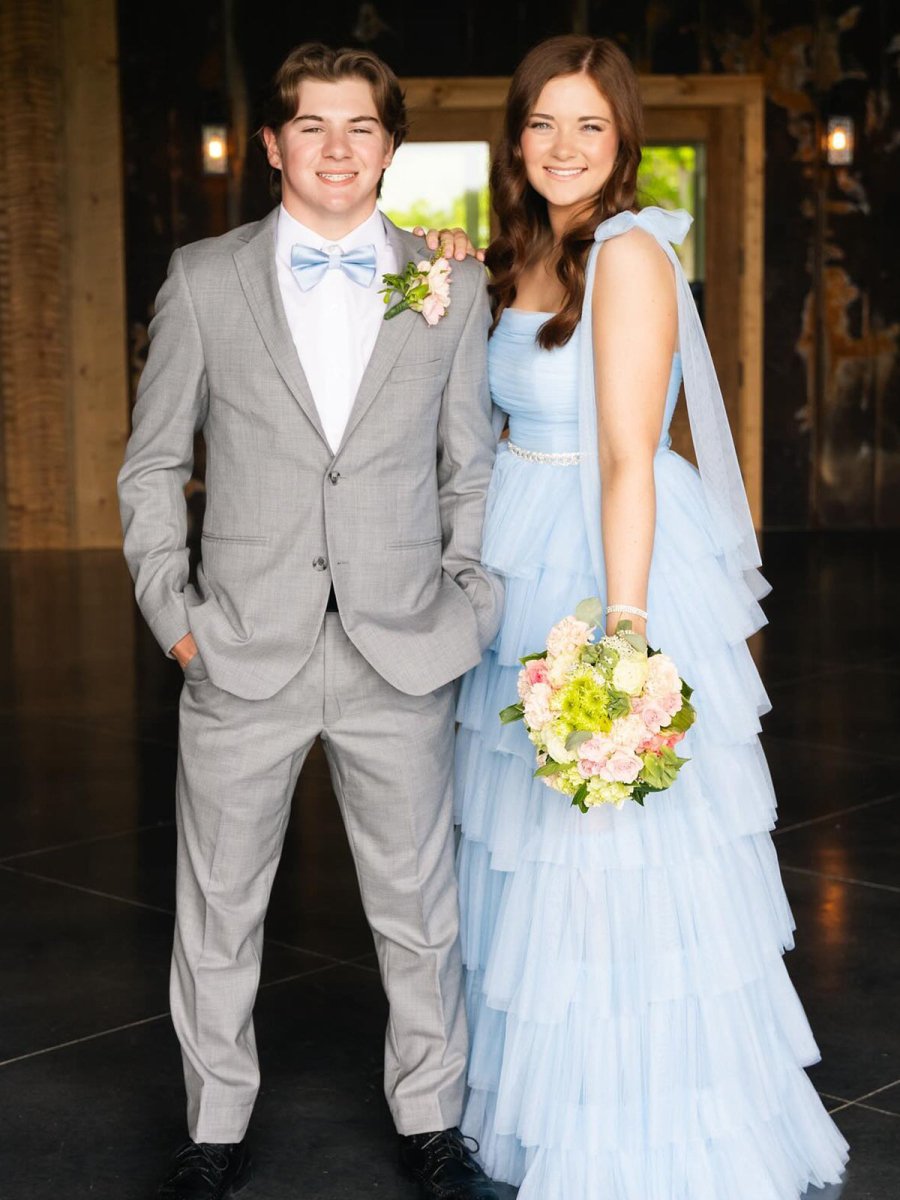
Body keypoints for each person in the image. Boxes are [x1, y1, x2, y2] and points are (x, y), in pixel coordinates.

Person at [429, 34, 850, 1200]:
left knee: (607, 841)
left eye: (591, 128)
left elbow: (626, 456)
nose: (564, 148)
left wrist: (620, 631)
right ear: (516, 139)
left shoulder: (628, 255)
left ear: (624, 144)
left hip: (602, 550)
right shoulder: (520, 252)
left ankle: (634, 1122)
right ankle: (536, 1095)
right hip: (516, 546)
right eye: (544, 124)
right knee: (521, 841)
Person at [118, 42, 504, 1200]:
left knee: (419, 910)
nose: (338, 148)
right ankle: (213, 1130)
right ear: (275, 145)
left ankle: (432, 1119)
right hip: (239, 644)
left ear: (391, 147)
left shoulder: (454, 280)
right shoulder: (202, 278)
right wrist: (174, 618)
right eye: (313, 127)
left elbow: (468, 469)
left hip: (403, 640)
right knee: (219, 907)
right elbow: (150, 465)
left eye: (361, 128)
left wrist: (469, 602)